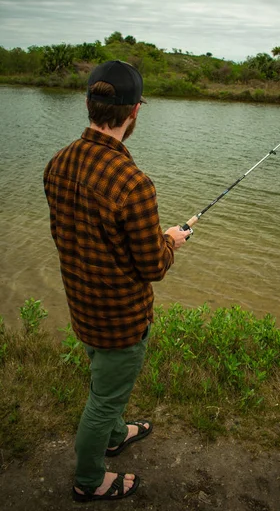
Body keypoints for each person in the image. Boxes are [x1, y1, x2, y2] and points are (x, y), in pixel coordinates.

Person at [43, 60, 191, 502]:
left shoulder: (57, 164)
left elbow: (72, 236)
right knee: (104, 399)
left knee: (104, 386)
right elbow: (152, 268)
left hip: (82, 310)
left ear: (89, 103)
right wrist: (170, 242)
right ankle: (89, 481)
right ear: (134, 113)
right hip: (121, 323)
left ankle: (114, 435)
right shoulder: (134, 183)